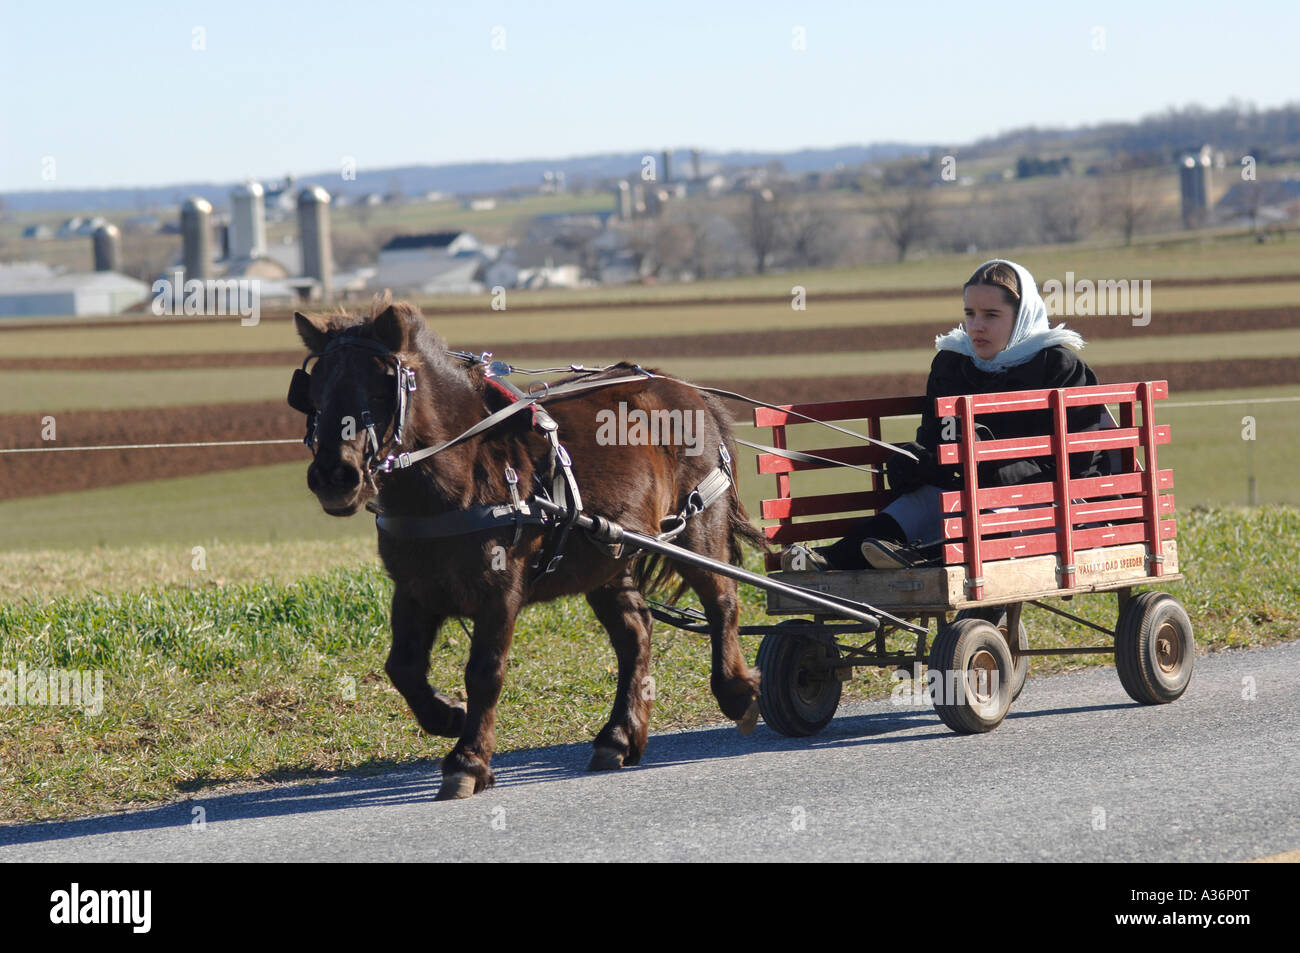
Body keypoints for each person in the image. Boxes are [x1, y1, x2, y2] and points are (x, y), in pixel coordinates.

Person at [782, 258, 1109, 572]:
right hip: (964, 496)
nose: (977, 326)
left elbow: (1080, 462)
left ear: (1021, 315)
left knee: (986, 512)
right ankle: (836, 558)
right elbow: (934, 439)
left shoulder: (1059, 366)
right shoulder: (952, 364)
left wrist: (992, 462)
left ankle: (917, 558)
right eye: (970, 313)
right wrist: (917, 460)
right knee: (920, 502)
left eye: (991, 315)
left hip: (1047, 501)